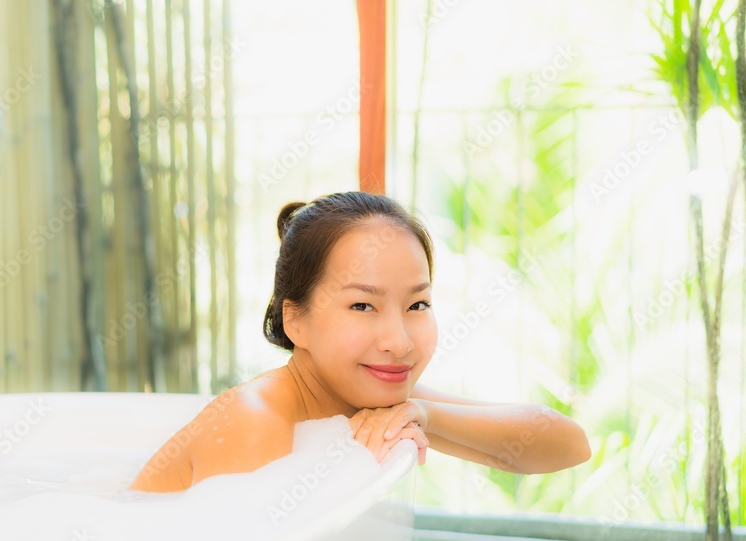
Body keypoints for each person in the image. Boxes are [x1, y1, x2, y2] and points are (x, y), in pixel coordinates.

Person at [129, 191, 590, 493]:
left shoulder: (368, 394)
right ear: (295, 320)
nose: (398, 342)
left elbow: (568, 444)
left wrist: (426, 415)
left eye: (417, 304)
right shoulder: (254, 420)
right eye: (363, 306)